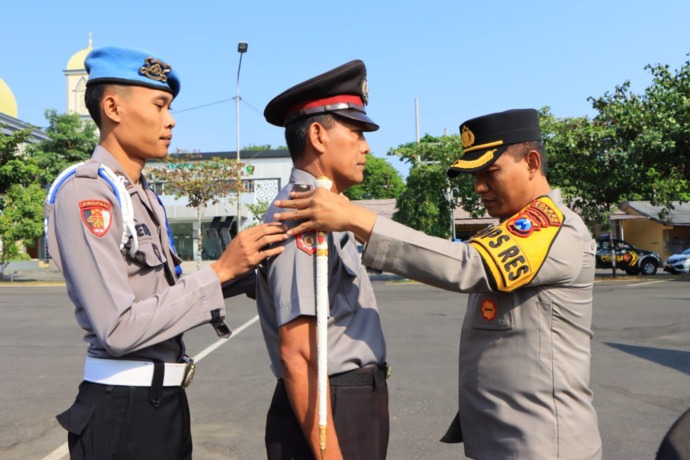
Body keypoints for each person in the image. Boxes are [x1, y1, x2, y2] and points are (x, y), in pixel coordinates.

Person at [273, 108, 603, 459]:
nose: (478, 187)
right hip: (508, 440)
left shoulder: (552, 230)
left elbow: (466, 265)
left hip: (544, 444)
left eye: (490, 172)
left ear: (532, 163)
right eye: (474, 175)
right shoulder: (510, 231)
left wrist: (355, 218)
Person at [44, 46, 287, 460]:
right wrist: (221, 272)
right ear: (112, 107)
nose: (170, 120)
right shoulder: (89, 193)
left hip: (164, 402)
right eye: (159, 105)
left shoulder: (142, 197)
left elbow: (162, 293)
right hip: (123, 409)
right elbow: (118, 329)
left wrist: (246, 270)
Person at [257, 59, 389, 460]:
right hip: (330, 405)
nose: (366, 146)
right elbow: (298, 354)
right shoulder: (301, 214)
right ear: (318, 134)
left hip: (348, 398)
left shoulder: (329, 209)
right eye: (356, 132)